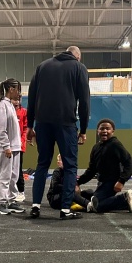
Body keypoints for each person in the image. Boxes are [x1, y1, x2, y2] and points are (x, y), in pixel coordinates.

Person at [26, 45, 90, 220]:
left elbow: (31, 97)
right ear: (78, 57)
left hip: (42, 123)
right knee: (70, 166)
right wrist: (83, 129)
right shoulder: (79, 68)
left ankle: (35, 206)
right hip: (66, 123)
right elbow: (84, 101)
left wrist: (29, 125)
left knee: (42, 164)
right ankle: (65, 209)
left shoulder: (42, 66)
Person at [76, 118, 132, 213]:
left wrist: (121, 181)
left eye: (107, 129)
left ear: (113, 131)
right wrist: (78, 182)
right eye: (102, 129)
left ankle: (124, 198)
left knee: (96, 206)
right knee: (89, 198)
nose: (104, 131)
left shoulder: (115, 145)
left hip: (112, 183)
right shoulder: (96, 148)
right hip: (102, 182)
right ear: (97, 131)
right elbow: (91, 170)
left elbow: (130, 163)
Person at [0, 78, 25, 215]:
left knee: (14, 176)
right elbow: (1, 129)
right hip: (7, 147)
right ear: (11, 89)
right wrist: (6, 146)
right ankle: (1, 203)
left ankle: (12, 201)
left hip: (15, 146)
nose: (19, 93)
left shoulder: (10, 105)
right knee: (5, 175)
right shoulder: (1, 105)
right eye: (18, 90)